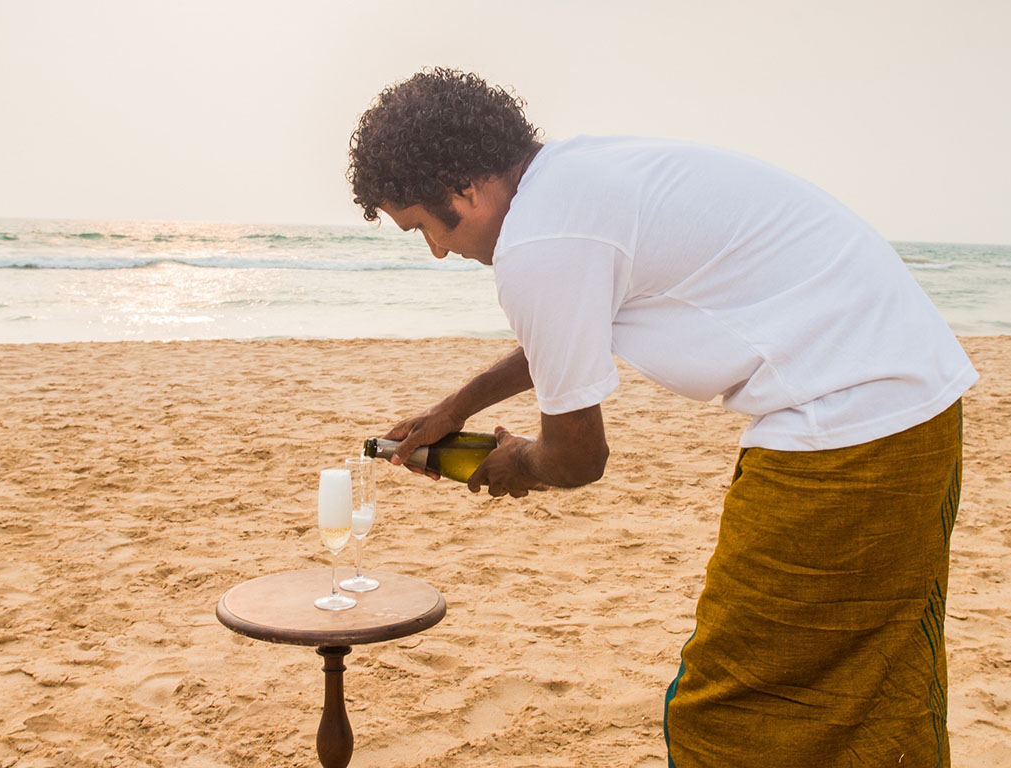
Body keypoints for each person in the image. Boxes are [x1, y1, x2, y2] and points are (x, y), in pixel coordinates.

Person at [347, 68, 977, 767]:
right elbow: (567, 329)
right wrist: (456, 408)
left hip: (849, 428)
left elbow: (579, 459)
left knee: (729, 706)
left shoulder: (537, 242)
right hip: (905, 401)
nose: (437, 250)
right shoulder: (573, 178)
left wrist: (514, 463)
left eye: (424, 227)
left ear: (461, 187)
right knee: (875, 662)